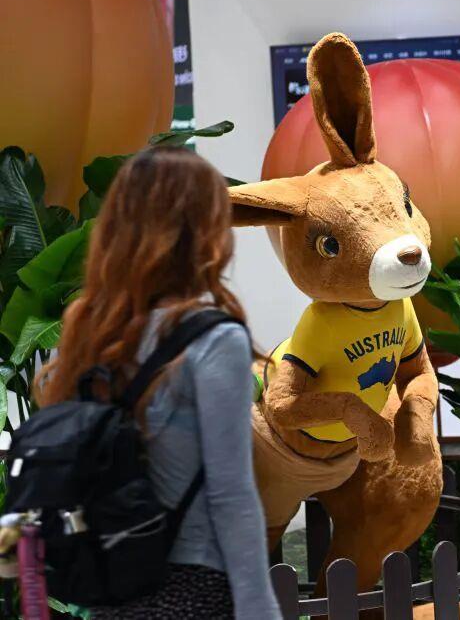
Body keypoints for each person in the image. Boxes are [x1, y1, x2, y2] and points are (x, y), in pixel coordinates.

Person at [36, 148, 281, 619]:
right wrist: (260, 609)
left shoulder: (89, 331)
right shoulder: (213, 339)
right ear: (201, 232)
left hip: (115, 585)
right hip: (194, 586)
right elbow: (230, 493)